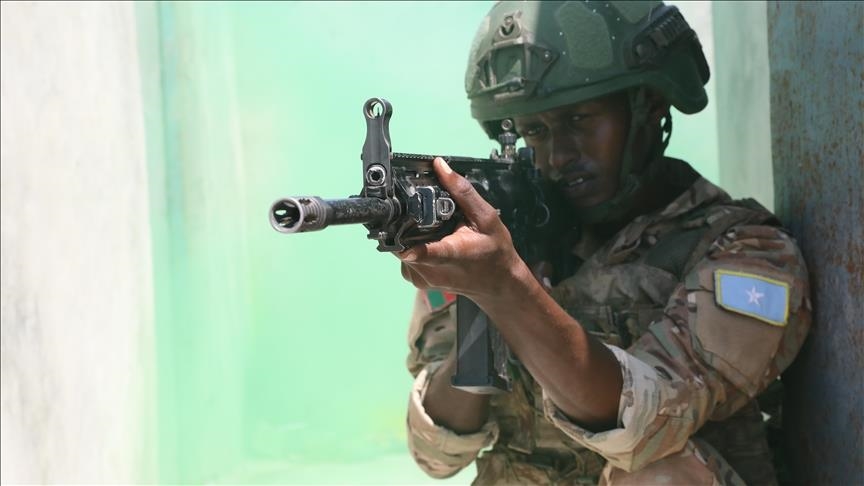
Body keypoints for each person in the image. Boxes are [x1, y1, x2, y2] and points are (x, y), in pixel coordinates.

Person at [397, 1, 811, 485]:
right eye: (535, 131)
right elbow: (437, 455)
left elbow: (642, 428)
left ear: (649, 105)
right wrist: (484, 307)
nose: (558, 155)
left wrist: (510, 291)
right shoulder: (505, 245)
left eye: (579, 119)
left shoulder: (747, 252)